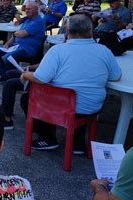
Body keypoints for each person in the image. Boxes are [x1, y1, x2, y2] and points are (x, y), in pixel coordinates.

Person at [20, 14, 121, 152]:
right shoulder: (104, 51)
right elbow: (116, 76)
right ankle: (77, 142)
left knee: (27, 98)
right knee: (83, 97)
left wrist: (26, 75)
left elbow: (40, 78)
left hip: (63, 107)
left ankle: (47, 137)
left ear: (67, 31)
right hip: (91, 107)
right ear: (91, 30)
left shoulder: (58, 50)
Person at [0, 1, 46, 82]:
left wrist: (15, 34)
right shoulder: (27, 19)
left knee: (8, 57)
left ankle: (17, 79)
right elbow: (17, 32)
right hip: (16, 46)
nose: (27, 11)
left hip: (28, 49)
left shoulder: (39, 21)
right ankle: (5, 76)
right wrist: (8, 43)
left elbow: (23, 34)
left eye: (29, 9)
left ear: (36, 9)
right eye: (26, 9)